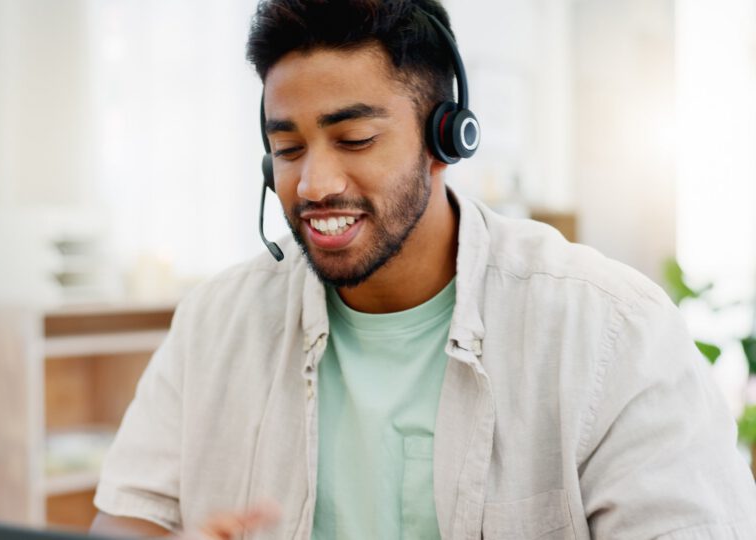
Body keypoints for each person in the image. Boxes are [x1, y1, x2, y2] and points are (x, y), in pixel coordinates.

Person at [91, 1, 756, 538]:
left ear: (447, 138)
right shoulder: (215, 322)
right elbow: (125, 520)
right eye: (287, 148)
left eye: (355, 140)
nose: (313, 184)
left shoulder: (613, 330)